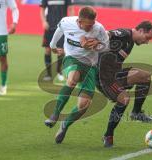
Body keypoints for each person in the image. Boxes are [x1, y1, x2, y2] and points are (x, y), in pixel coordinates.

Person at [44, 6, 109, 144]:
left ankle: (64, 125)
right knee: (72, 79)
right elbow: (59, 30)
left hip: (90, 66)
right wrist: (53, 45)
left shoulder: (99, 28)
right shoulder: (67, 22)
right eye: (88, 25)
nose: (91, 27)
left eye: (93, 24)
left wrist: (96, 45)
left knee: (83, 106)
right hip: (71, 59)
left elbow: (106, 46)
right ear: (79, 21)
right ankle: (55, 113)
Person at [97, 21, 152, 147]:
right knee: (124, 99)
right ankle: (108, 136)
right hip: (104, 77)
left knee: (145, 76)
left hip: (114, 74)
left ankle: (136, 113)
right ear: (141, 31)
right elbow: (107, 34)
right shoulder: (124, 34)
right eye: (147, 38)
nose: (147, 42)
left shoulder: (130, 41)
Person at [0, 0, 19, 95]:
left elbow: (14, 9)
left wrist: (14, 23)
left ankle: (3, 85)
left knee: (2, 59)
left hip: (0, 32)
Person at [40, 0, 74, 81]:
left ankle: (59, 72)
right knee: (47, 50)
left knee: (61, 51)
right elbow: (42, 10)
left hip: (62, 27)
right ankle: (49, 74)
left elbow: (71, 8)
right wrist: (44, 21)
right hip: (49, 27)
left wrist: (71, 22)